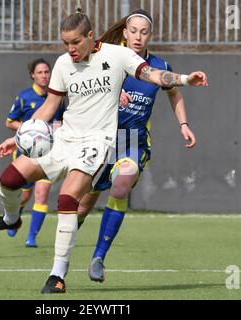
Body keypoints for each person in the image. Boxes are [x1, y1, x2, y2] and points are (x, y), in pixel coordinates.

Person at [0, 8, 208, 294]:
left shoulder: (116, 55)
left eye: (75, 42)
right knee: (9, 180)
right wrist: (22, 134)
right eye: (65, 43)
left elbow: (153, 74)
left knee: (68, 199)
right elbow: (49, 107)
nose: (70, 49)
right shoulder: (62, 63)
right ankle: (11, 219)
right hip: (64, 138)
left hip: (97, 144)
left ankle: (57, 275)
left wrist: (185, 79)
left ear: (90, 36)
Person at [76, 9, 197, 282]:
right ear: (126, 32)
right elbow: (82, 86)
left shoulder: (158, 66)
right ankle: (61, 258)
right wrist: (111, 96)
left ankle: (98, 258)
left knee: (121, 185)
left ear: (150, 35)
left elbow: (174, 93)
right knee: (82, 206)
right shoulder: (106, 58)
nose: (138, 36)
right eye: (133, 31)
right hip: (101, 138)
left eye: (144, 32)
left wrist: (184, 125)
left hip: (132, 140)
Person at [5, 58, 64, 248]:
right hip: (27, 153)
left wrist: (58, 127)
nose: (44, 75)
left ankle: (32, 237)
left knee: (42, 193)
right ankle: (15, 217)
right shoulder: (24, 97)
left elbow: (61, 122)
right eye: (40, 72)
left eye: (47, 72)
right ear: (32, 75)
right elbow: (9, 122)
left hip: (49, 153)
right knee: (24, 195)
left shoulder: (57, 98)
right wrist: (30, 131)